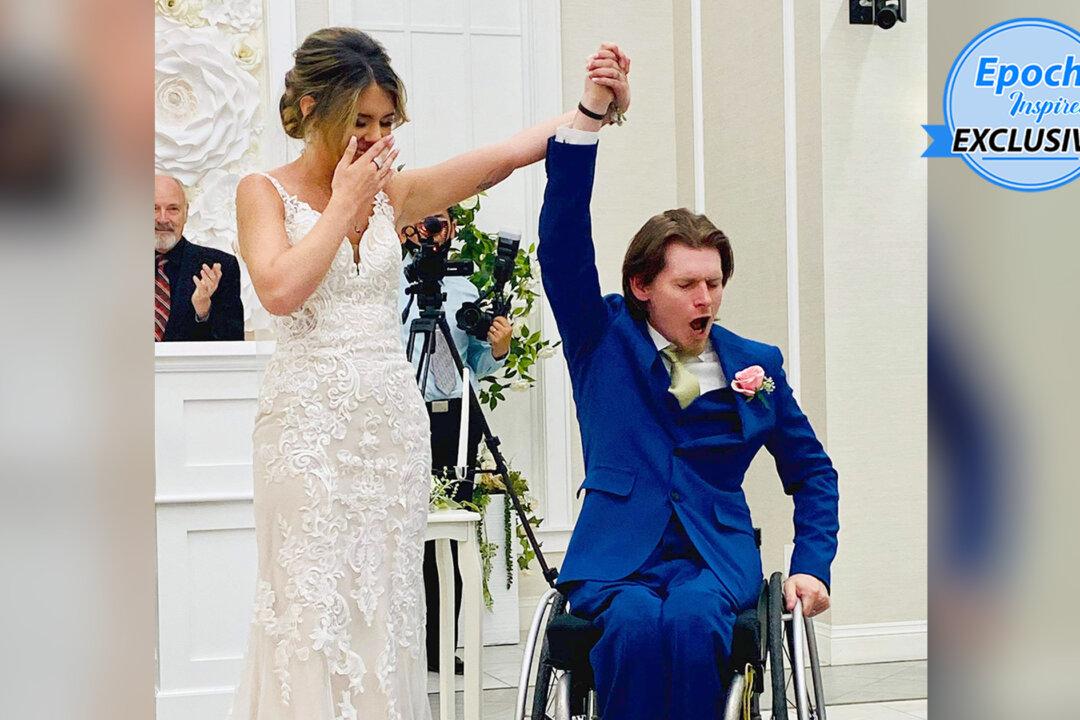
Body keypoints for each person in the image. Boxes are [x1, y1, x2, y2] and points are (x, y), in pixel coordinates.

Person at [227, 27, 627, 720]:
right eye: (360, 122)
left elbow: (496, 161)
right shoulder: (261, 190)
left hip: (389, 429)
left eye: (386, 123)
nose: (377, 137)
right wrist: (347, 204)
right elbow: (279, 290)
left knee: (387, 605)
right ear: (315, 108)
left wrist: (590, 109)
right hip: (306, 432)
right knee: (309, 600)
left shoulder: (393, 195)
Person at [537, 46, 840, 720]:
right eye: (687, 284)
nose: (707, 297)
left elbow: (813, 474)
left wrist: (812, 563)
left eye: (714, 282)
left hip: (713, 557)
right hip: (618, 555)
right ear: (643, 286)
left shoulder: (755, 363)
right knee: (639, 624)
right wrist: (589, 118)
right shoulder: (601, 338)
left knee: (697, 619)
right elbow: (560, 246)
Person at [398, 211, 513, 674]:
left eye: (441, 223)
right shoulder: (389, 287)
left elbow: (481, 365)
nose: (433, 232)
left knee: (452, 532)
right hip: (404, 415)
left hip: (455, 419)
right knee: (405, 533)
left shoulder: (466, 289)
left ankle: (443, 645)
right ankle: (401, 643)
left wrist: (500, 345)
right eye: (424, 223)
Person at [154, 174, 244, 341]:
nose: (163, 219)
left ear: (186, 213)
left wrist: (204, 311)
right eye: (154, 208)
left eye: (173, 209)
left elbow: (233, 344)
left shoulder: (220, 267)